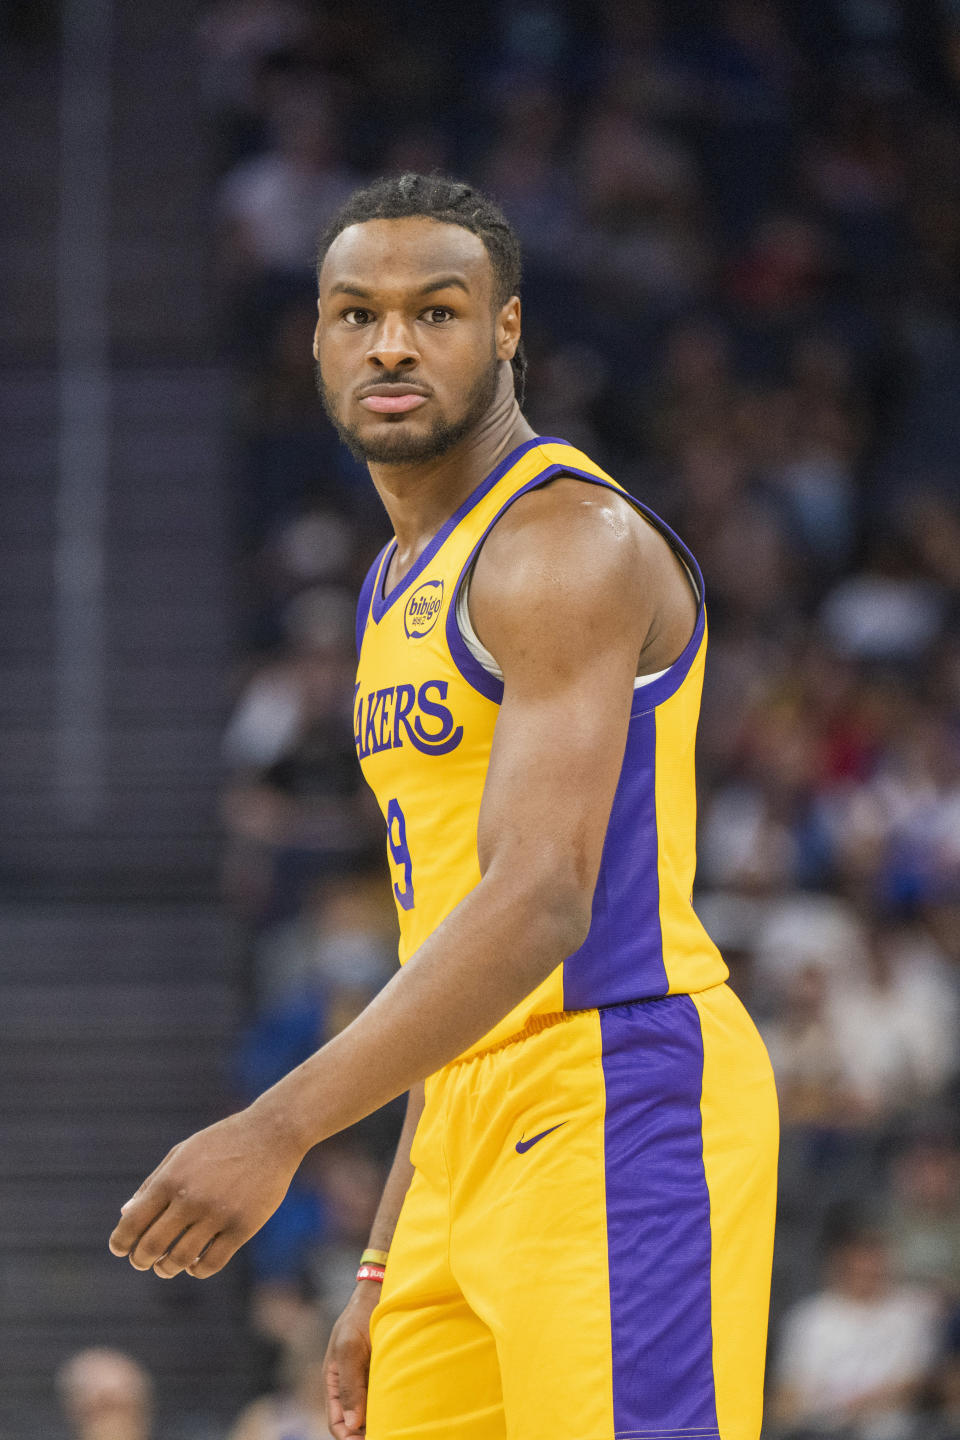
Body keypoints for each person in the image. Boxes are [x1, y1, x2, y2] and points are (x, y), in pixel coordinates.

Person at [110, 173, 779, 1440]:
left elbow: (538, 901)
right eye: (356, 314)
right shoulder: (393, 580)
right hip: (463, 1130)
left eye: (438, 310)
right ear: (315, 338)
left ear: (508, 331)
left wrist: (277, 1128)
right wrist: (386, 1253)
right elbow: (449, 941)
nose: (394, 342)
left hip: (615, 1093)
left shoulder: (560, 543)